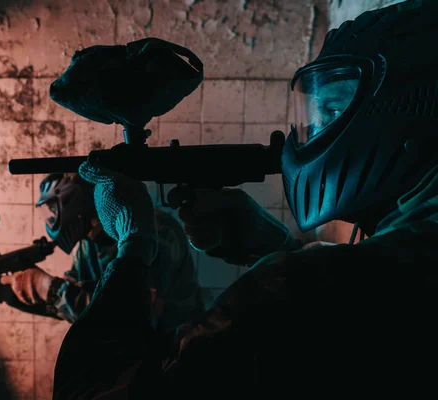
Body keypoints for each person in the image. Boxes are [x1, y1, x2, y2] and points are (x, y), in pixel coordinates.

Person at [52, 1, 438, 397]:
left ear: (409, 109)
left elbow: (91, 391)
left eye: (334, 108)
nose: (309, 132)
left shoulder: (297, 295)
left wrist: (133, 245)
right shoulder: (406, 259)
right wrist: (279, 248)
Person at [0, 173, 204, 332]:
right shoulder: (89, 245)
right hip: (135, 361)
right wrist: (7, 292)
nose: (51, 221)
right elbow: (72, 310)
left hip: (177, 351)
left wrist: (45, 286)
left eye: (53, 210)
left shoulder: (153, 232)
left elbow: (133, 316)